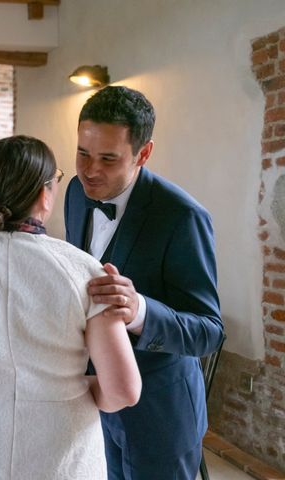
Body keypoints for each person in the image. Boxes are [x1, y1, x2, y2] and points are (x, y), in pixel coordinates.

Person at [0, 135, 142, 480]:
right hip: (60, 445)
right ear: (43, 194)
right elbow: (123, 389)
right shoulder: (84, 271)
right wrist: (74, 390)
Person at [64, 86, 224, 480]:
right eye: (83, 153)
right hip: (96, 402)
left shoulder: (182, 216)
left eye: (108, 158)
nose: (90, 170)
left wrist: (141, 312)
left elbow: (210, 332)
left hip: (160, 414)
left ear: (143, 153)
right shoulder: (75, 192)